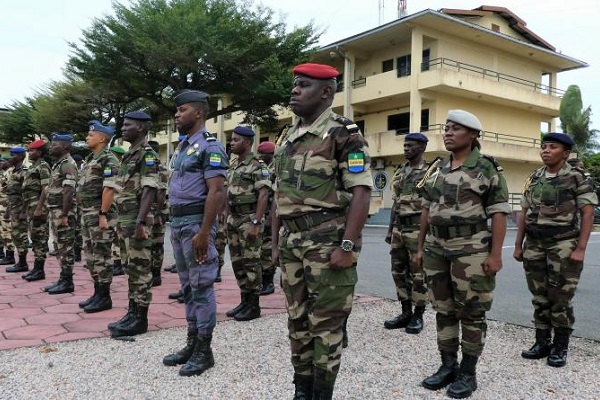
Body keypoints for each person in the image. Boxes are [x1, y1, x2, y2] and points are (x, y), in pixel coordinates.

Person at [272, 63, 372, 399]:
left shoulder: (344, 133)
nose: (295, 91)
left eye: (304, 85)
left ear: (326, 92)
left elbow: (361, 190)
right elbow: (279, 194)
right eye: (295, 85)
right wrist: (276, 243)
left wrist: (347, 245)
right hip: (292, 242)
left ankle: (321, 394)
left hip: (326, 241)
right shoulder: (288, 135)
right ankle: (302, 389)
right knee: (297, 321)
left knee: (326, 326)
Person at [416, 110, 510, 399]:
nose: (448, 133)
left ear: (472, 135)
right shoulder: (438, 168)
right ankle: (447, 366)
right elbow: (426, 209)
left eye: (455, 129)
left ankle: (468, 373)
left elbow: (498, 214)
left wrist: (495, 255)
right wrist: (420, 247)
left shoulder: (486, 168)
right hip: (436, 248)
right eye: (446, 128)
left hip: (471, 249)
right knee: (443, 310)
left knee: (471, 311)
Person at [513, 133, 597, 368]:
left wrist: (581, 248)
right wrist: (518, 245)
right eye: (544, 146)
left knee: (560, 298)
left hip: (563, 244)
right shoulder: (535, 176)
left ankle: (560, 346)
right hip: (534, 244)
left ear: (566, 153)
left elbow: (588, 213)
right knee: (539, 296)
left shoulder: (577, 177)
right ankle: (542, 342)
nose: (546, 150)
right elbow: (524, 212)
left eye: (553, 147)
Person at [162, 89, 228, 377]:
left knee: (201, 286)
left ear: (198, 112)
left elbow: (217, 191)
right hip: (177, 224)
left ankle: (205, 349)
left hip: (195, 224)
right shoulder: (181, 147)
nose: (177, 114)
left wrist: (204, 232)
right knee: (188, 287)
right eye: (177, 110)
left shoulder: (210, 147)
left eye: (182, 110)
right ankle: (191, 342)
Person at [107, 111, 158, 338]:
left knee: (140, 270)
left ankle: (141, 318)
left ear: (141, 127)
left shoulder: (147, 155)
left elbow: (149, 188)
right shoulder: (130, 154)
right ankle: (132, 312)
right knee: (130, 268)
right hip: (125, 221)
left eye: (128, 125)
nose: (123, 128)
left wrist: (140, 221)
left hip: (136, 222)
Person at [383, 132, 430, 334]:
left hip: (418, 229)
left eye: (410, 146)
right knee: (398, 271)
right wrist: (389, 229)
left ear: (421, 148)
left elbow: (432, 206)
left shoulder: (430, 172)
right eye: (405, 146)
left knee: (419, 274)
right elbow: (396, 202)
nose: (406, 149)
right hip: (399, 230)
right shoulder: (401, 171)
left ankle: (418, 316)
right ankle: (405, 312)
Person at [225, 126, 272, 321]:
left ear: (246, 142)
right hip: (234, 219)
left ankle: (254, 306)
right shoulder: (235, 164)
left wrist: (256, 221)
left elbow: (264, 194)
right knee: (238, 262)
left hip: (248, 219)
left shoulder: (258, 165)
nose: (232, 143)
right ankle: (244, 301)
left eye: (235, 140)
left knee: (251, 262)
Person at [76, 121, 120, 313]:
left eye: (90, 135)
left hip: (100, 214)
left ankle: (105, 297)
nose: (87, 137)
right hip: (87, 214)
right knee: (91, 255)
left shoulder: (109, 160)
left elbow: (109, 189)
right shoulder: (91, 159)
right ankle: (97, 293)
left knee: (102, 255)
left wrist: (103, 214)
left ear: (102, 138)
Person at [35, 134, 79, 294]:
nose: (51, 147)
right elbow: (49, 189)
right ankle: (63, 278)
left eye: (55, 145)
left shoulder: (68, 164)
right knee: (59, 246)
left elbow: (68, 191)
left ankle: (68, 281)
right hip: (55, 210)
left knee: (65, 246)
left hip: (63, 211)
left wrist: (65, 214)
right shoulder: (57, 164)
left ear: (65, 147)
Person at [21, 140, 51, 281]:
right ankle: (36, 269)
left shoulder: (43, 166)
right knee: (34, 237)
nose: (29, 152)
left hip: (39, 208)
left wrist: (39, 208)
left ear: (39, 152)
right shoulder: (33, 166)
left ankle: (40, 270)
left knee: (40, 238)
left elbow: (46, 189)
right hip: (32, 208)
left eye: (32, 150)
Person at [4, 147, 29, 273]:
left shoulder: (24, 172)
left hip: (21, 209)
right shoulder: (14, 171)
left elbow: (27, 194)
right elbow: (11, 194)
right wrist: (8, 209)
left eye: (12, 155)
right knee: (15, 235)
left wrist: (24, 211)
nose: (10, 157)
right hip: (14, 208)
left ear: (20, 157)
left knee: (21, 235)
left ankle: (23, 263)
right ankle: (20, 261)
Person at [256, 140, 277, 295]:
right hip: (261, 213)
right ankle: (262, 280)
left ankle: (269, 282)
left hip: (272, 212)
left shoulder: (276, 168)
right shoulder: (262, 167)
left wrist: (270, 217)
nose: (260, 156)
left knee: (268, 249)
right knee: (261, 247)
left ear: (271, 154)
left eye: (263, 154)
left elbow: (277, 193)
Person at [148, 140, 169, 287]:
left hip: (157, 210)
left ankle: (156, 275)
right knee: (152, 243)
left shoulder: (158, 167)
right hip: (152, 209)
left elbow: (161, 192)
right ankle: (153, 272)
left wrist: (157, 213)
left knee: (156, 243)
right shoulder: (153, 165)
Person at [109, 145, 127, 277]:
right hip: (114, 205)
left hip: (118, 206)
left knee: (117, 236)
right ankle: (117, 262)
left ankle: (119, 264)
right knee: (115, 235)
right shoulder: (119, 167)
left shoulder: (119, 168)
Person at [0, 156, 16, 265]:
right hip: (2, 206)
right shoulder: (5, 173)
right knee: (2, 231)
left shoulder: (10, 173)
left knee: (7, 231)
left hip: (6, 207)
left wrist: (9, 209)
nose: (1, 164)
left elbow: (12, 192)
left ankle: (10, 256)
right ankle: (2, 254)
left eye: (2, 162)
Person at [72, 153, 85, 262]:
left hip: (80, 204)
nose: (80, 164)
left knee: (78, 229)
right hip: (72, 203)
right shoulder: (73, 171)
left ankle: (78, 252)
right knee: (74, 228)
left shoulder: (82, 172)